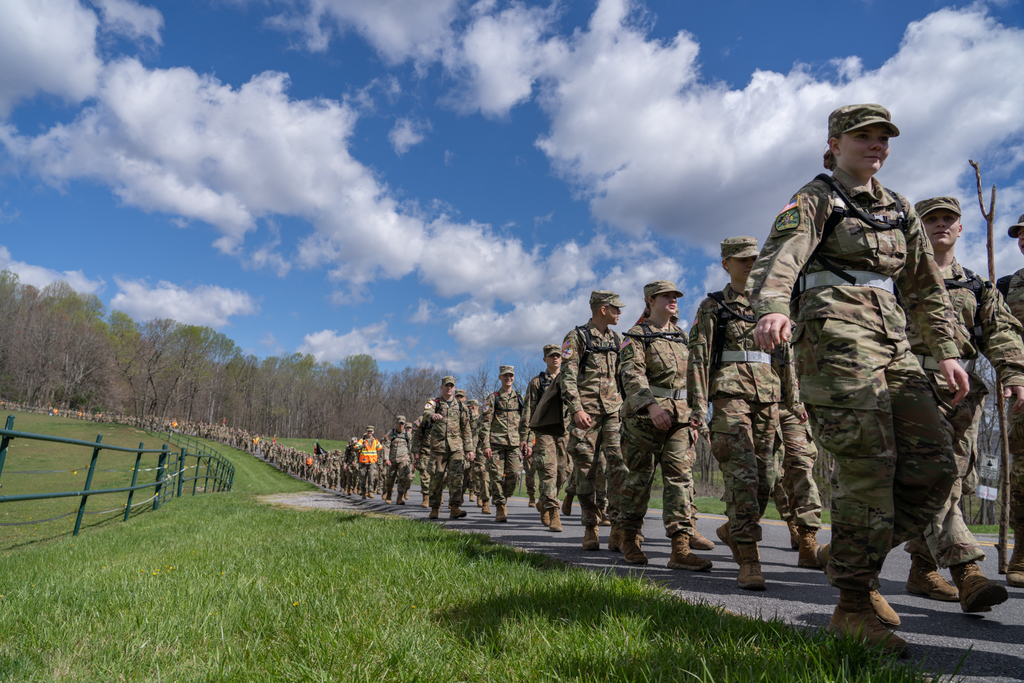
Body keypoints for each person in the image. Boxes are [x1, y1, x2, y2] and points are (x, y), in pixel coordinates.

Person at [747, 103, 969, 656]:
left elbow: (923, 287)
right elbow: (781, 258)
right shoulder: (817, 197)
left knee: (936, 463)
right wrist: (772, 307)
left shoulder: (900, 209)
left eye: (883, 139)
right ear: (835, 142)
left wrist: (945, 352)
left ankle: (849, 554)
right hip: (834, 339)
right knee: (870, 465)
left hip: (894, 343)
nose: (876, 146)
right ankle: (852, 603)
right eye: (863, 137)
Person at [900, 196, 1024, 611]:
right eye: (930, 219)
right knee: (936, 473)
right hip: (911, 383)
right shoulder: (897, 280)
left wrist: (1014, 373)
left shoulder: (977, 286)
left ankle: (919, 568)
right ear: (917, 228)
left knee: (954, 480)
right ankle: (967, 571)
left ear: (960, 227)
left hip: (964, 393)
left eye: (947, 219)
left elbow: (1001, 333)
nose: (939, 225)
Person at [689, 237, 802, 590]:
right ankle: (750, 559)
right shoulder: (714, 307)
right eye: (742, 259)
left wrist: (794, 402)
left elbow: (786, 357)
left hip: (768, 398)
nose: (750, 264)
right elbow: (698, 359)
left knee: (767, 477)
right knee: (743, 479)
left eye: (755, 258)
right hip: (729, 399)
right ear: (726, 263)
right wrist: (696, 407)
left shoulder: (772, 304)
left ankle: (732, 530)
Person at [619, 280, 712, 570]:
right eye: (666, 296)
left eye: (675, 296)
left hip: (680, 419)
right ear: (650, 300)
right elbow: (631, 375)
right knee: (639, 481)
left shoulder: (683, 337)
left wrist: (697, 416)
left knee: (680, 481)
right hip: (644, 420)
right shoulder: (636, 336)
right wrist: (651, 405)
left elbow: (695, 378)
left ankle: (680, 548)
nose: (673, 300)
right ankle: (630, 538)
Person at [561, 290, 627, 550]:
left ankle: (618, 527)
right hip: (585, 414)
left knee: (619, 467)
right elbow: (567, 377)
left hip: (614, 412)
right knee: (586, 471)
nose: (619, 312)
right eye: (615, 308)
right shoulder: (576, 337)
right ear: (602, 309)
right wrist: (576, 409)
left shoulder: (618, 339)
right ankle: (590, 527)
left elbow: (625, 376)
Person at [987, 211, 1024, 588]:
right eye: (1020, 233)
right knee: (1022, 476)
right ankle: (1022, 552)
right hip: (1022, 393)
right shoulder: (1005, 285)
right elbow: (994, 333)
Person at [521, 344, 569, 532]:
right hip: (544, 431)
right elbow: (528, 411)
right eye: (551, 356)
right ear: (545, 359)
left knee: (563, 471)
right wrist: (525, 436)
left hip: (565, 432)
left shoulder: (569, 380)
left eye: (557, 356)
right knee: (548, 470)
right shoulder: (536, 383)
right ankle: (553, 511)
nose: (555, 359)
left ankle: (544, 501)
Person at [420, 376, 474, 519]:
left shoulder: (461, 406)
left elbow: (466, 428)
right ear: (441, 387)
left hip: (456, 447)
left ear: (454, 388)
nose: (449, 388)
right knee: (437, 476)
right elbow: (426, 412)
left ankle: (455, 507)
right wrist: (433, 416)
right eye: (446, 385)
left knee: (457, 477)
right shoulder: (435, 402)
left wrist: (469, 449)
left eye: (451, 386)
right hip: (439, 446)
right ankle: (435, 508)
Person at [479, 366, 526, 523]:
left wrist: (526, 440)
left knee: (514, 475)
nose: (509, 378)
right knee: (496, 476)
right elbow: (485, 423)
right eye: (505, 375)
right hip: (496, 443)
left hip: (514, 443)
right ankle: (500, 507)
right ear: (500, 377)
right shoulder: (493, 398)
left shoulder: (520, 398)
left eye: (511, 375)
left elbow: (526, 422)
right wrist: (486, 445)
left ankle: (503, 498)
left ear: (514, 377)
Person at [384, 416, 415, 505]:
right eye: (399, 423)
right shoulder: (391, 433)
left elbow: (411, 448)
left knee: (403, 479)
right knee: (390, 479)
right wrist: (386, 459)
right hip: (392, 460)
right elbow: (386, 446)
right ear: (396, 423)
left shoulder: (407, 435)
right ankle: (389, 495)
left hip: (404, 460)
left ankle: (400, 498)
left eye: (402, 423)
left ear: (404, 424)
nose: (401, 425)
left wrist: (412, 461)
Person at [355, 426, 383, 499]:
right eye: (368, 431)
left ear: (373, 432)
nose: (369, 433)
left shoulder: (375, 441)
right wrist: (362, 446)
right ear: (366, 431)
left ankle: (370, 492)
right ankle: (364, 492)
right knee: (363, 478)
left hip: (372, 462)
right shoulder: (362, 440)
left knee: (371, 477)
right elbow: (355, 448)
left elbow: (380, 448)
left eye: (371, 431)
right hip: (364, 462)